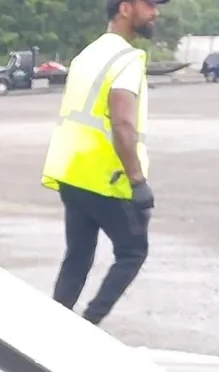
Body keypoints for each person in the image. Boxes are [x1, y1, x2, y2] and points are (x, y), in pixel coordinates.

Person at [42, 0, 162, 324]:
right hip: (105, 176)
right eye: (149, 4)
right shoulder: (127, 59)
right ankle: (89, 325)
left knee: (77, 257)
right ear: (125, 8)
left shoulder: (87, 55)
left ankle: (51, 329)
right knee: (133, 251)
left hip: (72, 172)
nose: (155, 12)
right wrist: (137, 181)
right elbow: (122, 123)